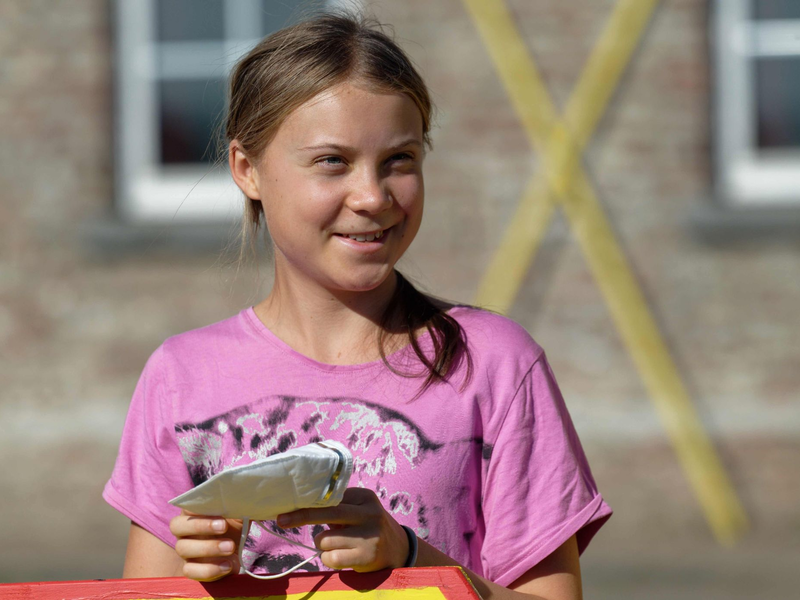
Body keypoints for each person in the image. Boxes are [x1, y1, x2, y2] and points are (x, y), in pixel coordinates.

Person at [103, 12, 611, 600]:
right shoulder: (180, 377)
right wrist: (198, 574)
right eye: (332, 162)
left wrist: (411, 558)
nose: (373, 196)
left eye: (400, 160)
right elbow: (143, 592)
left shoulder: (496, 364)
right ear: (248, 170)